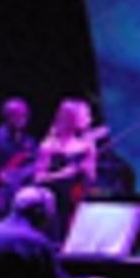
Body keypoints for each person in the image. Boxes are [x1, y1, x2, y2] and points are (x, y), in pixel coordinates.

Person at [33, 98, 106, 242]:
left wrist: (89, 165)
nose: (90, 120)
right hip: (55, 203)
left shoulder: (87, 146)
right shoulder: (48, 146)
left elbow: (91, 179)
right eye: (85, 115)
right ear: (71, 118)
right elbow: (38, 178)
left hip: (77, 200)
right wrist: (62, 174)